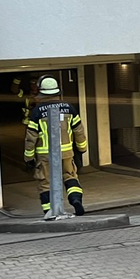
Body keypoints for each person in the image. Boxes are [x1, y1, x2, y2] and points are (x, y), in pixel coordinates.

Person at [23, 76, 88, 216]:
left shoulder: (37, 112)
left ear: (41, 92)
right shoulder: (68, 108)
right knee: (70, 177)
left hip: (45, 156)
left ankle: (49, 211)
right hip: (66, 152)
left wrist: (28, 158)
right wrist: (81, 149)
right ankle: (76, 200)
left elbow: (31, 138)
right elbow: (79, 130)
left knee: (45, 183)